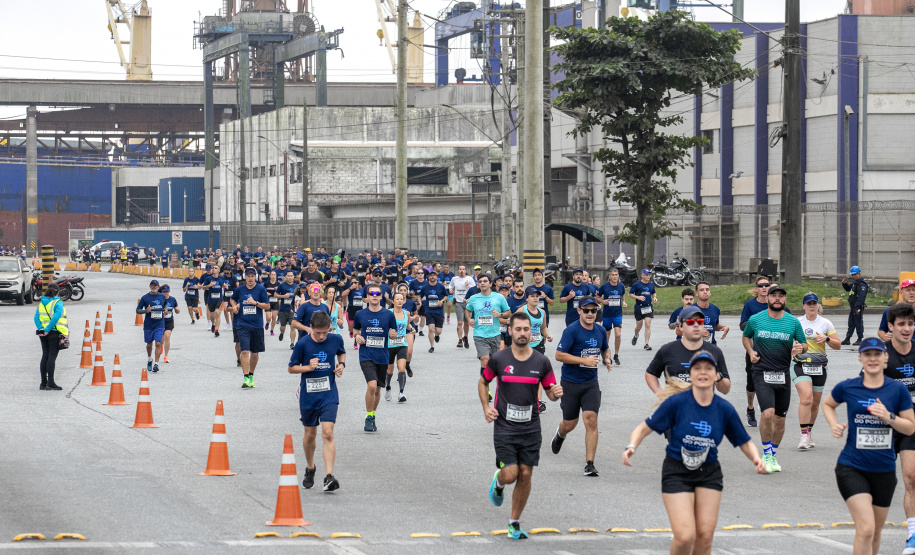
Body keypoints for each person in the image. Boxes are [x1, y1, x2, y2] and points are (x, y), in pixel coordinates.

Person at [623, 351, 766, 555]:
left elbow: (744, 441)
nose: (703, 372)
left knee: (705, 537)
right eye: (697, 368)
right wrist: (631, 447)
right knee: (684, 537)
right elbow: (644, 428)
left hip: (709, 473)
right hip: (676, 471)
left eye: (709, 368)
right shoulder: (676, 403)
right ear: (690, 375)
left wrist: (756, 459)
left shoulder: (724, 409)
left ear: (717, 375)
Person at [823, 338, 915, 555]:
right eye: (867, 355)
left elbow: (910, 427)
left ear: (885, 358)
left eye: (877, 354)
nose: (872, 359)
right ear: (860, 358)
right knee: (865, 528)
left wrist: (889, 417)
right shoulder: (848, 386)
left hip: (884, 471)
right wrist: (834, 424)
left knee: (875, 532)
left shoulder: (897, 390)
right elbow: (828, 404)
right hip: (851, 467)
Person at [481, 312, 562, 541]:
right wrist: (486, 407)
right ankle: (499, 482)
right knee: (511, 473)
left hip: (531, 428)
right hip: (505, 427)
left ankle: (514, 522)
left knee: (525, 474)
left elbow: (549, 390)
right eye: (518, 329)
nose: (523, 333)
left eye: (526, 329)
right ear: (511, 331)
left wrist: (554, 394)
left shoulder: (541, 361)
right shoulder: (499, 359)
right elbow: (483, 381)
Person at [742, 285, 808, 473]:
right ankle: (766, 453)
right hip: (761, 372)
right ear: (767, 298)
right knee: (768, 413)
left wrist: (799, 349)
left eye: (781, 296)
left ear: (785, 300)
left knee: (780, 419)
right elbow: (746, 337)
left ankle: (773, 454)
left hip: (782, 374)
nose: (777, 299)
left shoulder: (793, 322)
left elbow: (804, 345)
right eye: (774, 295)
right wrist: (750, 351)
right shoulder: (756, 320)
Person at [551, 296, 611, 477]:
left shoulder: (600, 330)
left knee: (591, 419)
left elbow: (605, 348)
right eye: (587, 310)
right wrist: (583, 360)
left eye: (594, 311)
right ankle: (560, 434)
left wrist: (607, 357)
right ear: (579, 311)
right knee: (570, 423)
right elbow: (559, 355)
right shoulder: (572, 331)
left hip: (590, 384)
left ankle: (589, 463)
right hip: (570, 383)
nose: (590, 314)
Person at [288, 311, 345, 493]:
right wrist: (308, 367)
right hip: (309, 395)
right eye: (318, 332)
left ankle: (329, 476)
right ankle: (310, 468)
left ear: (329, 328)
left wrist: (341, 365)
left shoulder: (335, 339)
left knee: (328, 433)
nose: (321, 336)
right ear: (311, 327)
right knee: (310, 435)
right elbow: (291, 368)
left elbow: (341, 354)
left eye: (325, 332)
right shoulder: (303, 343)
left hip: (329, 394)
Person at [880, 304, 915, 554]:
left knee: (911, 478)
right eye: (901, 324)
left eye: (910, 324)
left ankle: (912, 534)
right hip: (883, 424)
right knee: (879, 482)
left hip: (910, 424)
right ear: (890, 327)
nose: (907, 329)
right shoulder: (880, 355)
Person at [646, 305, 731, 395]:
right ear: (681, 326)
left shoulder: (714, 351)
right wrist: (661, 395)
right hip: (676, 407)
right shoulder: (667, 350)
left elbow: (725, 390)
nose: (696, 325)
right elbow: (650, 374)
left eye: (700, 321)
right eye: (690, 322)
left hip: (703, 407)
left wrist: (718, 378)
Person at [793, 293, 840, 450]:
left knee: (814, 403)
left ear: (818, 305)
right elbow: (786, 341)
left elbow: (838, 345)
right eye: (808, 303)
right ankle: (804, 435)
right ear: (804, 305)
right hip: (800, 365)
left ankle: (809, 432)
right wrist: (793, 348)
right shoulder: (797, 322)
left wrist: (826, 339)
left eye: (814, 303)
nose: (811, 306)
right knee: (806, 398)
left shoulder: (825, 323)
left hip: (819, 367)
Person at [354, 284, 398, 432]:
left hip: (382, 356)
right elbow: (355, 330)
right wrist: (357, 336)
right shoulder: (360, 314)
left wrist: (393, 335)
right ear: (367, 297)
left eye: (377, 293)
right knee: (371, 385)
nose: (374, 295)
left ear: (380, 296)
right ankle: (368, 417)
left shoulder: (388, 314)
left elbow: (394, 332)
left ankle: (372, 415)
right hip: (366, 354)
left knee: (378, 389)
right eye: (371, 293)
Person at [740, 276, 774, 427]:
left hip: (772, 350)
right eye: (761, 286)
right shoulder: (750, 305)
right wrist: (757, 323)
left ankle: (767, 407)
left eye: (767, 285)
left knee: (771, 380)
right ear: (756, 289)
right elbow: (742, 326)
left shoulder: (774, 304)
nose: (764, 288)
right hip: (754, 349)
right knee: (751, 383)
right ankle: (750, 407)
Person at [466, 275, 511, 385]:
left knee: (493, 362)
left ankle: (491, 380)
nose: (482, 283)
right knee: (484, 360)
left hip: (495, 334)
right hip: (479, 334)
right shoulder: (473, 298)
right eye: (480, 281)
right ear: (478, 284)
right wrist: (469, 320)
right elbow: (467, 310)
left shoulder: (499, 297)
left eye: (485, 281)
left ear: (491, 284)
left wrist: (500, 314)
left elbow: (508, 312)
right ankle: (486, 387)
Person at [230, 267, 270, 389]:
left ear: (256, 277)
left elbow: (267, 305)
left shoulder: (261, 289)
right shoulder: (240, 289)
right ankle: (246, 377)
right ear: (245, 277)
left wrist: (255, 303)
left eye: (252, 276)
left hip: (257, 325)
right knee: (245, 351)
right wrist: (234, 307)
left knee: (255, 353)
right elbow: (232, 299)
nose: (250, 278)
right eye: (248, 276)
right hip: (243, 325)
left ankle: (251, 374)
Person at [34, 282, 67, 391]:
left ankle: (43, 383)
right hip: (54, 333)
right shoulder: (58, 303)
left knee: (45, 356)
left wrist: (41, 329)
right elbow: (56, 318)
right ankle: (51, 383)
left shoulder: (41, 303)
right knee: (52, 357)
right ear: (58, 292)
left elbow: (36, 317)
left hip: (42, 333)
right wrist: (48, 330)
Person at [597, 268, 627, 366]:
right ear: (609, 276)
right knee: (607, 336)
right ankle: (606, 355)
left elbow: (623, 294)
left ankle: (616, 355)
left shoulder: (621, 286)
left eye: (616, 275)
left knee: (618, 334)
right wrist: (602, 301)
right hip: (607, 315)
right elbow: (596, 297)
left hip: (617, 314)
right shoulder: (604, 286)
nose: (614, 277)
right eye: (613, 275)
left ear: (618, 276)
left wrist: (623, 302)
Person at [385, 291, 411, 403]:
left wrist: (412, 328)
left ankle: (401, 392)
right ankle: (388, 388)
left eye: (402, 299)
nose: (400, 301)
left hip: (402, 344)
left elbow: (408, 325)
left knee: (401, 368)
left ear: (404, 301)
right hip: (390, 345)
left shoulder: (407, 313)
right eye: (397, 299)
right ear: (393, 301)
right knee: (389, 371)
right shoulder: (388, 313)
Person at [137, 280, 166, 372]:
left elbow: (165, 304)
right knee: (149, 345)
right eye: (152, 285)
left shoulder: (162, 296)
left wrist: (165, 310)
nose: (154, 287)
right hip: (149, 325)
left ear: (158, 286)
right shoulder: (145, 298)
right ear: (150, 286)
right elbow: (138, 310)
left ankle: (156, 364)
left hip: (159, 323)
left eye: (156, 285)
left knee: (158, 343)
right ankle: (150, 359)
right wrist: (146, 311)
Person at [629, 269, 658, 351]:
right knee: (639, 326)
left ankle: (646, 344)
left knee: (647, 325)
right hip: (639, 307)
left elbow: (653, 292)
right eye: (646, 275)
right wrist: (638, 297)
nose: (648, 276)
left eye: (649, 275)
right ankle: (636, 335)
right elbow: (630, 294)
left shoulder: (651, 285)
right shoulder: (636, 284)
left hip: (648, 307)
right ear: (642, 275)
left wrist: (655, 297)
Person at [420, 271, 448, 353]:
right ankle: (432, 346)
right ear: (428, 277)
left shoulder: (441, 286)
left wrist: (442, 301)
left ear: (436, 277)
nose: (432, 277)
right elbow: (420, 296)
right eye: (431, 275)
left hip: (439, 311)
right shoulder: (425, 287)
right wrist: (420, 302)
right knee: (431, 328)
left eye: (434, 275)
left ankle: (437, 335)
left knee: (438, 331)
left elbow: (446, 296)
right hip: (429, 311)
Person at [842, 266, 869, 346]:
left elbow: (861, 298)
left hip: (857, 307)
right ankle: (848, 339)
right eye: (852, 275)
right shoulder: (855, 284)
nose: (853, 276)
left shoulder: (862, 285)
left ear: (859, 274)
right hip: (853, 307)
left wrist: (857, 307)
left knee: (858, 323)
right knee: (851, 323)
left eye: (854, 274)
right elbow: (848, 289)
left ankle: (860, 339)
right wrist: (845, 284)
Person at [450, 265, 476, 349]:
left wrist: (468, 286)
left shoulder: (470, 279)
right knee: (459, 322)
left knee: (466, 323)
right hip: (458, 302)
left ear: (465, 270)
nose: (462, 271)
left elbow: (475, 289)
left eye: (463, 269)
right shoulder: (454, 279)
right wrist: (450, 289)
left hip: (468, 303)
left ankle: (466, 337)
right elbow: (450, 286)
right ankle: (460, 340)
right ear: (458, 270)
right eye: (460, 269)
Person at [199, 265, 225, 337]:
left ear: (219, 270)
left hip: (219, 299)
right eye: (213, 268)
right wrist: (209, 285)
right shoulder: (208, 278)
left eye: (215, 268)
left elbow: (223, 284)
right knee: (212, 315)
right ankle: (213, 324)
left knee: (217, 313)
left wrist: (225, 286)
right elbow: (203, 288)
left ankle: (216, 330)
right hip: (211, 299)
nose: (214, 269)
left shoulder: (222, 278)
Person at [275, 270, 297, 348]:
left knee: (292, 326)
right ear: (285, 277)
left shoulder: (296, 286)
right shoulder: (282, 285)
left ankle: (292, 343)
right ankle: (282, 333)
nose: (290, 277)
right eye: (288, 276)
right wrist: (283, 296)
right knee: (283, 327)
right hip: (283, 309)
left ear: (293, 277)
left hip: (292, 310)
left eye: (291, 276)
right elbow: (275, 295)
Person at [160, 285, 180, 364]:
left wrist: (177, 310)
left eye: (167, 292)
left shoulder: (172, 299)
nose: (165, 293)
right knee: (161, 339)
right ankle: (161, 346)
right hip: (160, 321)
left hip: (169, 321)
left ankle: (166, 356)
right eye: (164, 292)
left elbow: (177, 310)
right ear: (161, 292)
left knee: (167, 336)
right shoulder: (159, 299)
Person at [264, 270, 280, 336]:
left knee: (274, 317)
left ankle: (272, 330)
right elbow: (262, 291)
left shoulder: (278, 284)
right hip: (268, 302)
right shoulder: (266, 284)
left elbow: (281, 293)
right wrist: (266, 293)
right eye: (272, 275)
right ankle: (267, 323)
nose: (273, 276)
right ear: (270, 276)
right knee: (269, 317)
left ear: (276, 276)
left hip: (275, 302)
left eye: (274, 275)